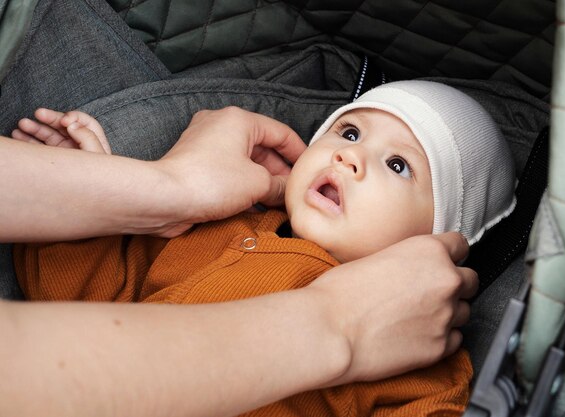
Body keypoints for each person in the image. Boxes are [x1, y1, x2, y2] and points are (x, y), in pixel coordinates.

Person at [11, 80, 514, 416]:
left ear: (436, 246)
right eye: (351, 130)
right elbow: (97, 300)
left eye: (398, 165)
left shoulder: (414, 339)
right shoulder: (216, 229)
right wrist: (90, 195)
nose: (350, 155)